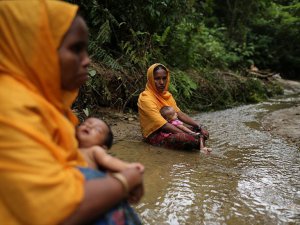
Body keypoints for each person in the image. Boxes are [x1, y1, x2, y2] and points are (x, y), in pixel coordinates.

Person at [0, 1, 143, 225]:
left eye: (86, 49)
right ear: (37, 48)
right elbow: (55, 208)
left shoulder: (52, 109)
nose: (87, 61)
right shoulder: (10, 106)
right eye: (76, 49)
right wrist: (125, 181)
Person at [137, 63, 211, 152]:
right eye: (157, 78)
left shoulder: (167, 95)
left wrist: (199, 126)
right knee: (187, 138)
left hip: (171, 128)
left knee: (203, 132)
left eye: (164, 78)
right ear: (150, 79)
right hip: (154, 133)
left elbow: (179, 114)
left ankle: (198, 144)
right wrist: (189, 134)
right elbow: (163, 125)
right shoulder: (145, 98)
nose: (161, 82)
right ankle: (198, 144)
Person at [76, 117, 144, 172]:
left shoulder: (94, 150)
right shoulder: (69, 144)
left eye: (97, 129)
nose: (89, 126)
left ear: (102, 147)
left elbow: (108, 160)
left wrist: (128, 166)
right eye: (85, 124)